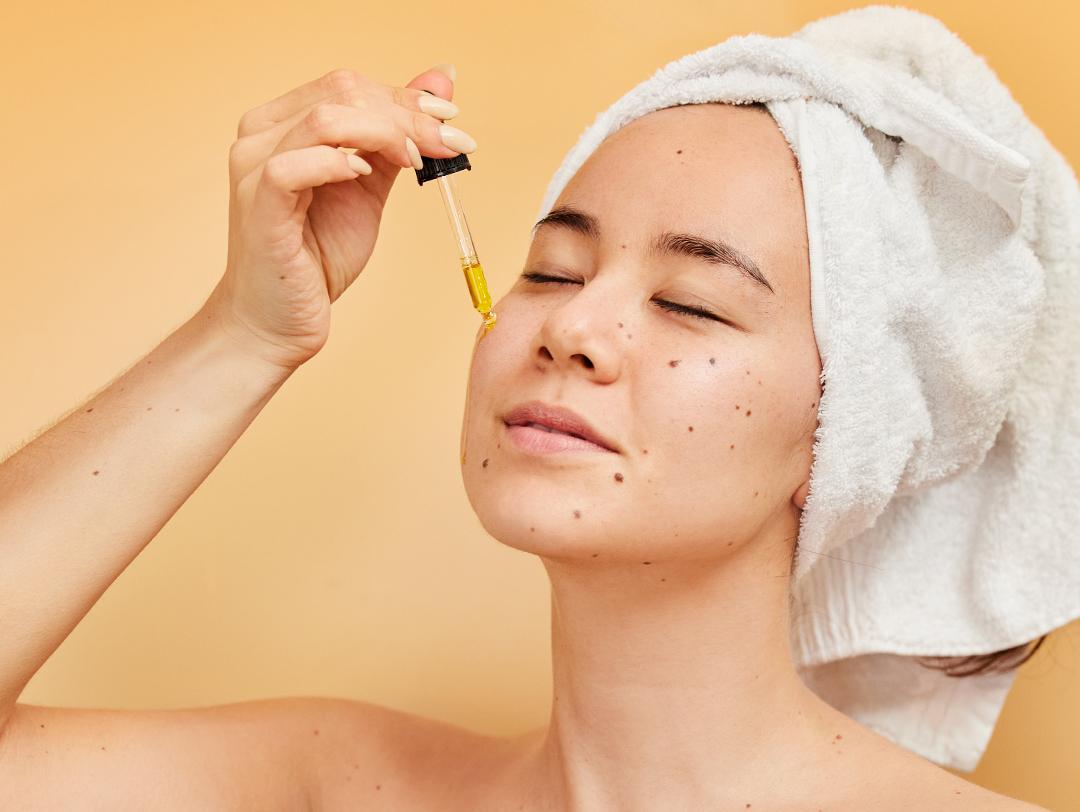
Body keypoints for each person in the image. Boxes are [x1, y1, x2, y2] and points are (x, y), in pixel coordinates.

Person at [0, 59, 1049, 810]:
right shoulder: (331, 783)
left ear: (849, 431)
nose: (573, 327)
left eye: (692, 300)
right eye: (551, 269)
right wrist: (244, 333)